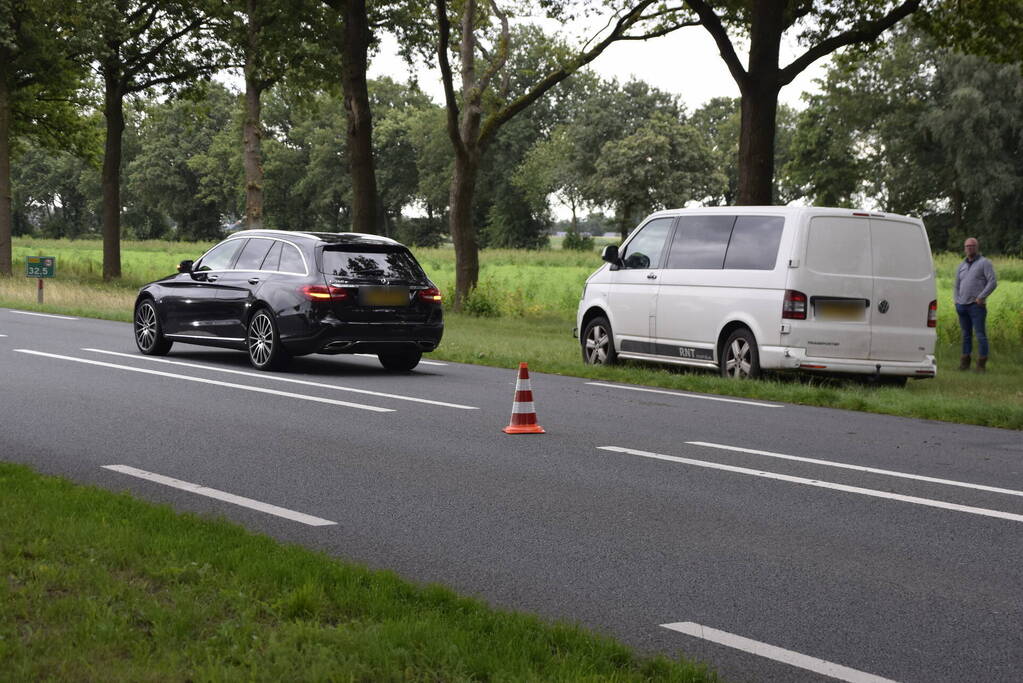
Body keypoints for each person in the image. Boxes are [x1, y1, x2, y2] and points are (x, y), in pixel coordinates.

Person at [954, 237, 997, 372]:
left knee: (980, 335)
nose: (969, 248)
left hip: (976, 306)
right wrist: (956, 300)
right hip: (962, 306)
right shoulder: (962, 265)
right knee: (966, 335)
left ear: (977, 247)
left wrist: (981, 297)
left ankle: (981, 365)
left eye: (972, 246)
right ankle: (965, 364)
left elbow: (992, 282)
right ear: (964, 248)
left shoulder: (985, 263)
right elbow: (956, 285)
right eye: (967, 246)